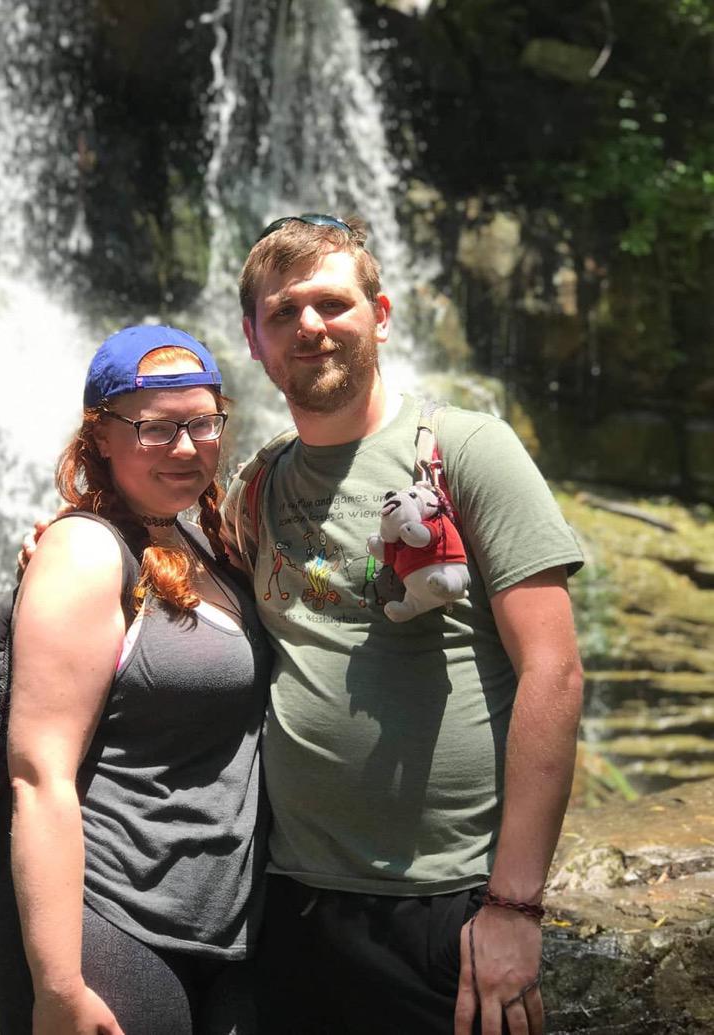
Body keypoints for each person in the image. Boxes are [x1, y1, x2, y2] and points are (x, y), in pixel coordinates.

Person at [219, 213, 585, 1035]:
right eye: (282, 312)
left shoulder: (467, 450)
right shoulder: (256, 485)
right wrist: (68, 534)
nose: (309, 326)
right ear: (254, 340)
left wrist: (514, 904)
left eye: (331, 304)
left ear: (379, 315)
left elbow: (555, 672)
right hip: (294, 904)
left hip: (444, 909)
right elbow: (162, 558)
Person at [0, 325, 271, 1035]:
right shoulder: (85, 550)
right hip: (112, 924)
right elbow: (37, 774)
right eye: (154, 427)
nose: (185, 445)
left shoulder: (207, 539)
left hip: (225, 930)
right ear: (100, 437)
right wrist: (59, 984)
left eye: (202, 422)